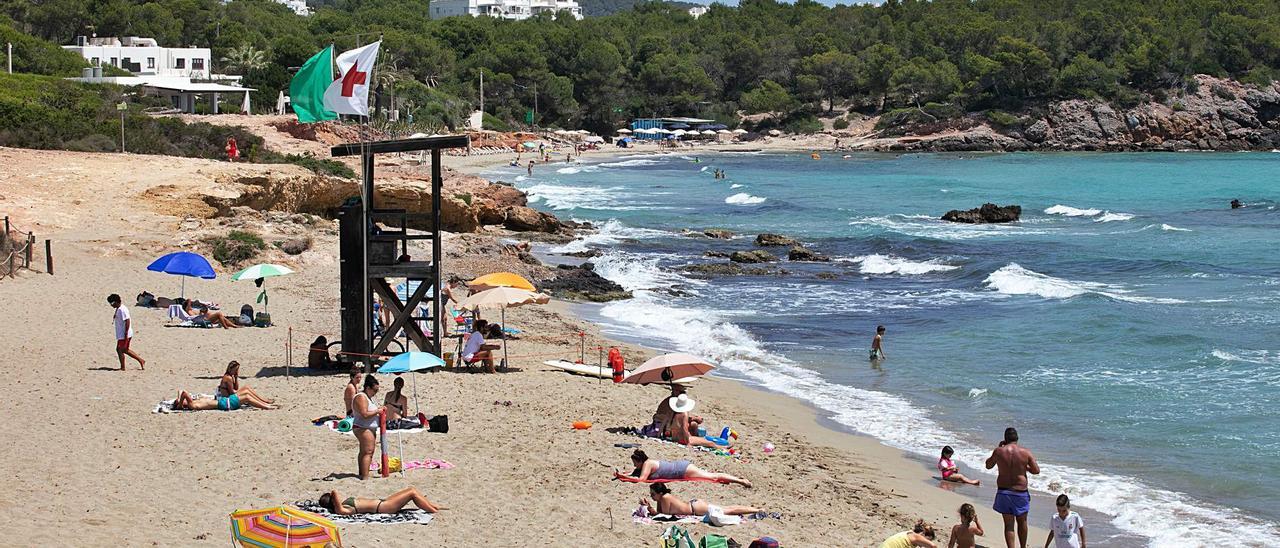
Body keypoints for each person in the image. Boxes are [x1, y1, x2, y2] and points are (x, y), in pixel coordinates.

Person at [985, 427, 1040, 548]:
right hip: (1020, 492)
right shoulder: (1025, 452)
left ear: (1005, 439)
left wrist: (998, 448)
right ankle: (1023, 547)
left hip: (1003, 491)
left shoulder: (999, 451)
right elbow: (1036, 471)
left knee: (1009, 524)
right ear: (1017, 438)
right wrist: (1025, 468)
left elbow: (988, 465)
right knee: (1022, 521)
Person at [626, 449, 751, 487]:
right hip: (682, 467)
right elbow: (636, 473)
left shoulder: (647, 464)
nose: (635, 466)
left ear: (640, 460)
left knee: (713, 476)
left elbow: (642, 479)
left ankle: (741, 481)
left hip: (683, 470)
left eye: (635, 463)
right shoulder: (647, 464)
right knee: (711, 475)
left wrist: (625, 478)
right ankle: (737, 479)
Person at [639, 483, 760, 517]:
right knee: (727, 508)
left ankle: (757, 510)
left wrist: (650, 508)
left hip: (696, 508)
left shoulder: (665, 498)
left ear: (660, 493)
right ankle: (755, 509)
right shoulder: (663, 499)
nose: (652, 496)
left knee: (729, 511)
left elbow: (663, 515)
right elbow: (660, 512)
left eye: (653, 494)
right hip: (695, 505)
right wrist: (650, 506)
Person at [319, 487, 445, 515]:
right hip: (384, 507)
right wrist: (334, 500)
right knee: (412, 493)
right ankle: (433, 510)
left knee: (412, 489)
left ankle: (434, 506)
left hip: (383, 502)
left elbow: (334, 494)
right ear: (333, 502)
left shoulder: (342, 505)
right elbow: (334, 492)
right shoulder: (341, 510)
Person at [352, 375, 385, 480]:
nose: (376, 393)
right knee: (368, 451)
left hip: (368, 427)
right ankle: (365, 476)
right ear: (368, 388)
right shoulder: (361, 397)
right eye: (375, 390)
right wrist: (377, 411)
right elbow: (364, 414)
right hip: (362, 427)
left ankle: (362, 473)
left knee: (364, 451)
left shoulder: (369, 398)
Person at [108, 294, 144, 371]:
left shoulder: (122, 309)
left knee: (120, 350)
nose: (111, 305)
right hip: (123, 333)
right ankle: (140, 360)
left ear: (115, 302)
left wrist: (126, 333)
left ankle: (123, 367)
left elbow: (127, 320)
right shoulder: (119, 308)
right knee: (124, 350)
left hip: (124, 333)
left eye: (111, 303)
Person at [172, 389, 275, 411]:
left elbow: (180, 391)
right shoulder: (191, 405)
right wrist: (180, 405)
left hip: (224, 400)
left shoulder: (193, 402)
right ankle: (267, 407)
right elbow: (184, 393)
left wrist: (179, 402)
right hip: (225, 405)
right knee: (247, 397)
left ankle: (265, 402)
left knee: (246, 391)